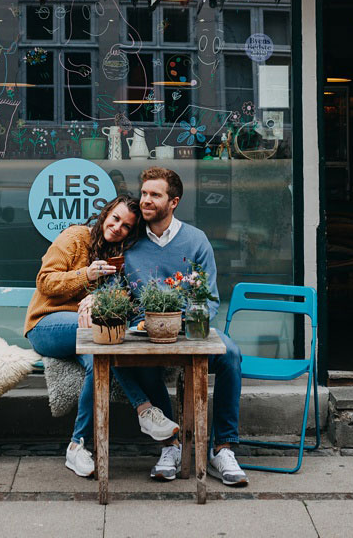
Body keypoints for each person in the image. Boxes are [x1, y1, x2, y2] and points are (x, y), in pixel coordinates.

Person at [25, 194, 179, 478]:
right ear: (106, 213)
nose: (117, 227)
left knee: (100, 363)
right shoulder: (75, 237)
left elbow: (124, 295)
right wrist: (86, 276)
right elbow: (45, 281)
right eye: (115, 218)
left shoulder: (119, 255)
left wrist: (100, 298)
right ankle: (145, 410)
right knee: (100, 334)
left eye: (126, 226)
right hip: (47, 324)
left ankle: (77, 446)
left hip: (89, 335)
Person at [118, 166, 248, 487]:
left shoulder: (196, 240)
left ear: (173, 201)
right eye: (144, 193)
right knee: (140, 363)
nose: (145, 200)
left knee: (231, 355)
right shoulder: (130, 243)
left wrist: (184, 324)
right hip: (146, 333)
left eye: (154, 195)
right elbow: (122, 295)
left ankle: (223, 448)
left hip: (190, 329)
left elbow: (211, 299)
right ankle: (171, 446)